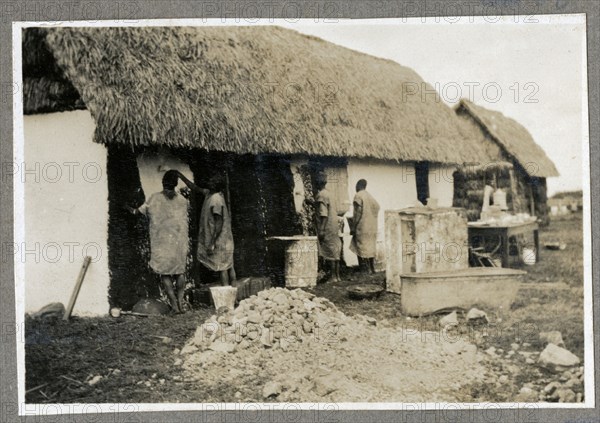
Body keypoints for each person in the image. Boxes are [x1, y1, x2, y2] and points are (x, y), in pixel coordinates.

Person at [126, 170, 189, 314]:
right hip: (179, 242)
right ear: (176, 184)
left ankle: (174, 306)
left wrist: (126, 207)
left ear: (163, 183)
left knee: (165, 274)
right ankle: (181, 304)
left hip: (161, 243)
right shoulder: (183, 201)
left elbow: (137, 212)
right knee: (180, 272)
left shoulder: (154, 199)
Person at [177, 171, 236, 286]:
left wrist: (213, 243)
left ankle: (226, 294)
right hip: (225, 239)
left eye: (212, 182)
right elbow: (196, 188)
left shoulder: (216, 199)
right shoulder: (211, 194)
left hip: (220, 240)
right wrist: (180, 176)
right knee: (229, 265)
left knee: (222, 268)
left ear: (216, 185)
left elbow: (219, 222)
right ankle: (233, 295)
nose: (209, 183)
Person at [350, 179, 380, 274]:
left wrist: (353, 227)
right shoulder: (370, 196)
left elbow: (357, 214)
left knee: (360, 248)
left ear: (358, 186)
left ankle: (364, 269)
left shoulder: (359, 195)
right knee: (370, 248)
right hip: (372, 227)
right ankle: (372, 268)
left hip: (362, 226)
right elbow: (377, 207)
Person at [315, 176, 342, 282]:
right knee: (335, 250)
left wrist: (321, 229)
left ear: (318, 183)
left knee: (329, 251)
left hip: (327, 226)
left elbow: (323, 213)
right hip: (334, 225)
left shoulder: (321, 195)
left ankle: (333, 277)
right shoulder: (329, 194)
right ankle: (337, 276)